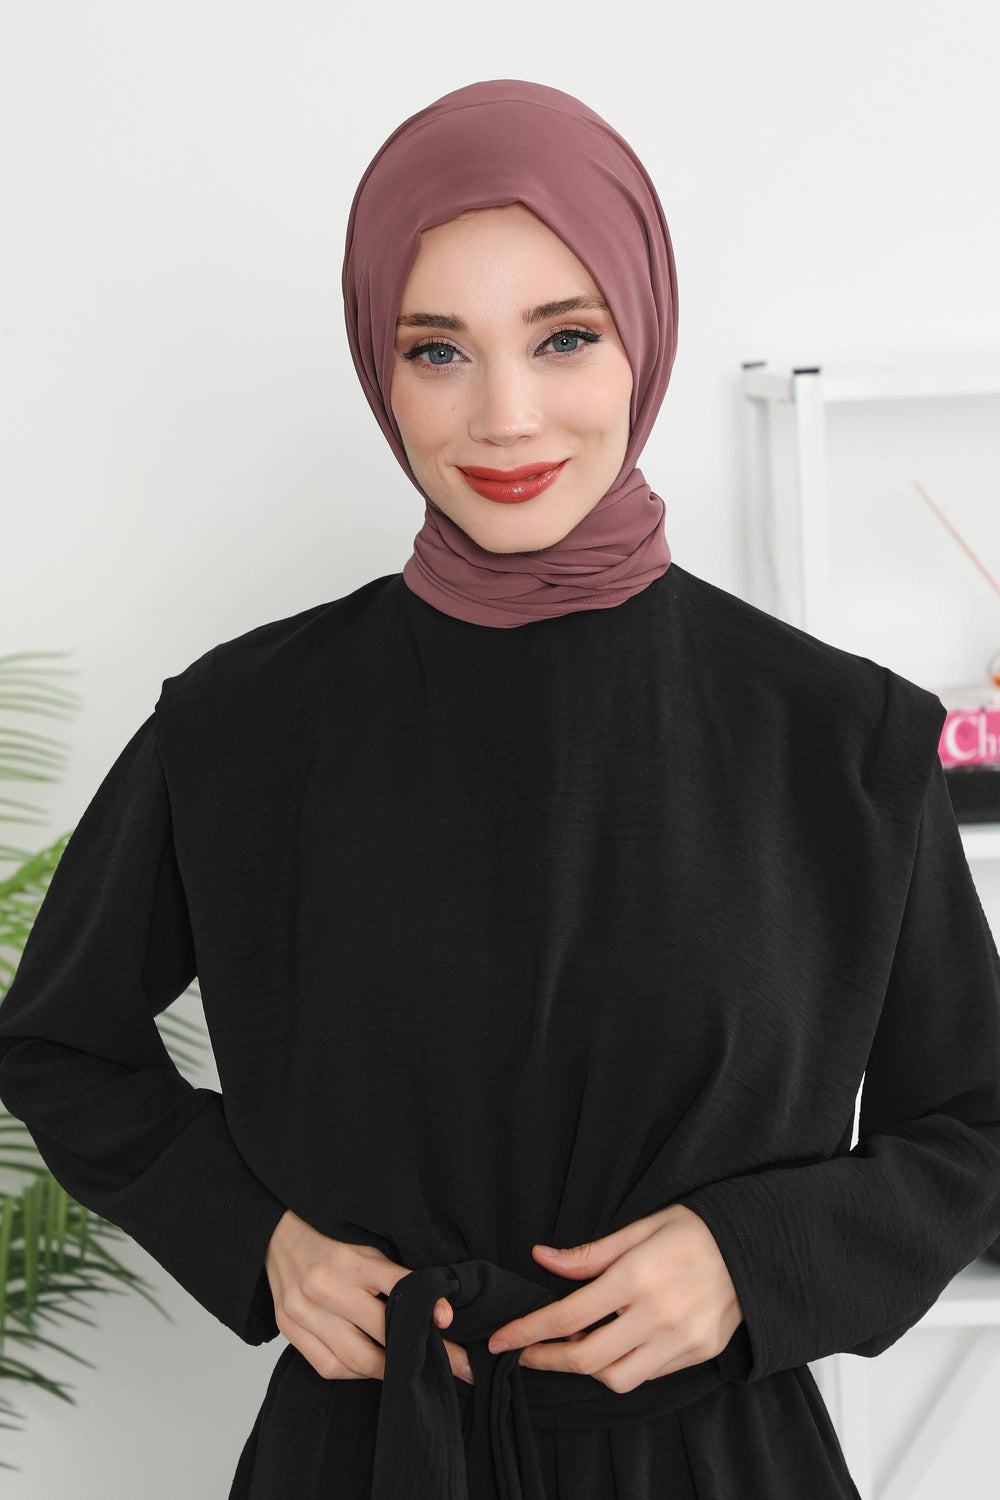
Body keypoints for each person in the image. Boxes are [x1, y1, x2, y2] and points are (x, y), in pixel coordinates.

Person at [1, 77, 999, 1500]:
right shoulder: (241, 729)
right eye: (438, 351)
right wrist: (259, 1242)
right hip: (367, 1456)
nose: (507, 416)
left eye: (564, 337)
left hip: (716, 1464)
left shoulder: (841, 738)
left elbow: (974, 1124)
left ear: (643, 334)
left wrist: (754, 1261)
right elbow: (60, 1040)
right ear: (380, 367)